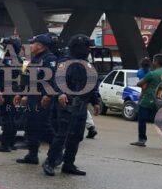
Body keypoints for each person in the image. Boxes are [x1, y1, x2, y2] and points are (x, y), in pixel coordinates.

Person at [43, 34, 100, 176]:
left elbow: (92, 84)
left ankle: (69, 164)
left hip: (82, 105)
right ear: (78, 47)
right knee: (62, 135)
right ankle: (50, 162)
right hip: (67, 103)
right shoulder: (65, 62)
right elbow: (58, 80)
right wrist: (60, 93)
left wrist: (95, 101)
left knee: (77, 136)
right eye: (86, 47)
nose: (88, 50)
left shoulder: (87, 64)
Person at [16, 33, 58, 165]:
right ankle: (32, 155)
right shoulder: (32, 59)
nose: (30, 46)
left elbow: (52, 79)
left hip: (43, 97)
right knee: (30, 125)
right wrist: (22, 94)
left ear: (40, 45)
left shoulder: (50, 59)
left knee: (44, 126)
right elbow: (27, 78)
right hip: (32, 97)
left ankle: (57, 153)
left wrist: (48, 95)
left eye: (33, 43)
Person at [131, 54, 162, 148]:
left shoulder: (152, 74)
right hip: (159, 99)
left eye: (153, 60)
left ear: (156, 62)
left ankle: (142, 140)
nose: (152, 62)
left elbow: (139, 83)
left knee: (141, 118)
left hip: (148, 99)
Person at [0, 36, 22, 152]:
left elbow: (4, 78)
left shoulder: (8, 60)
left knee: (6, 118)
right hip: (13, 91)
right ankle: (11, 142)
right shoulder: (18, 59)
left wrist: (1, 92)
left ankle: (5, 144)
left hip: (7, 92)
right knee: (12, 117)